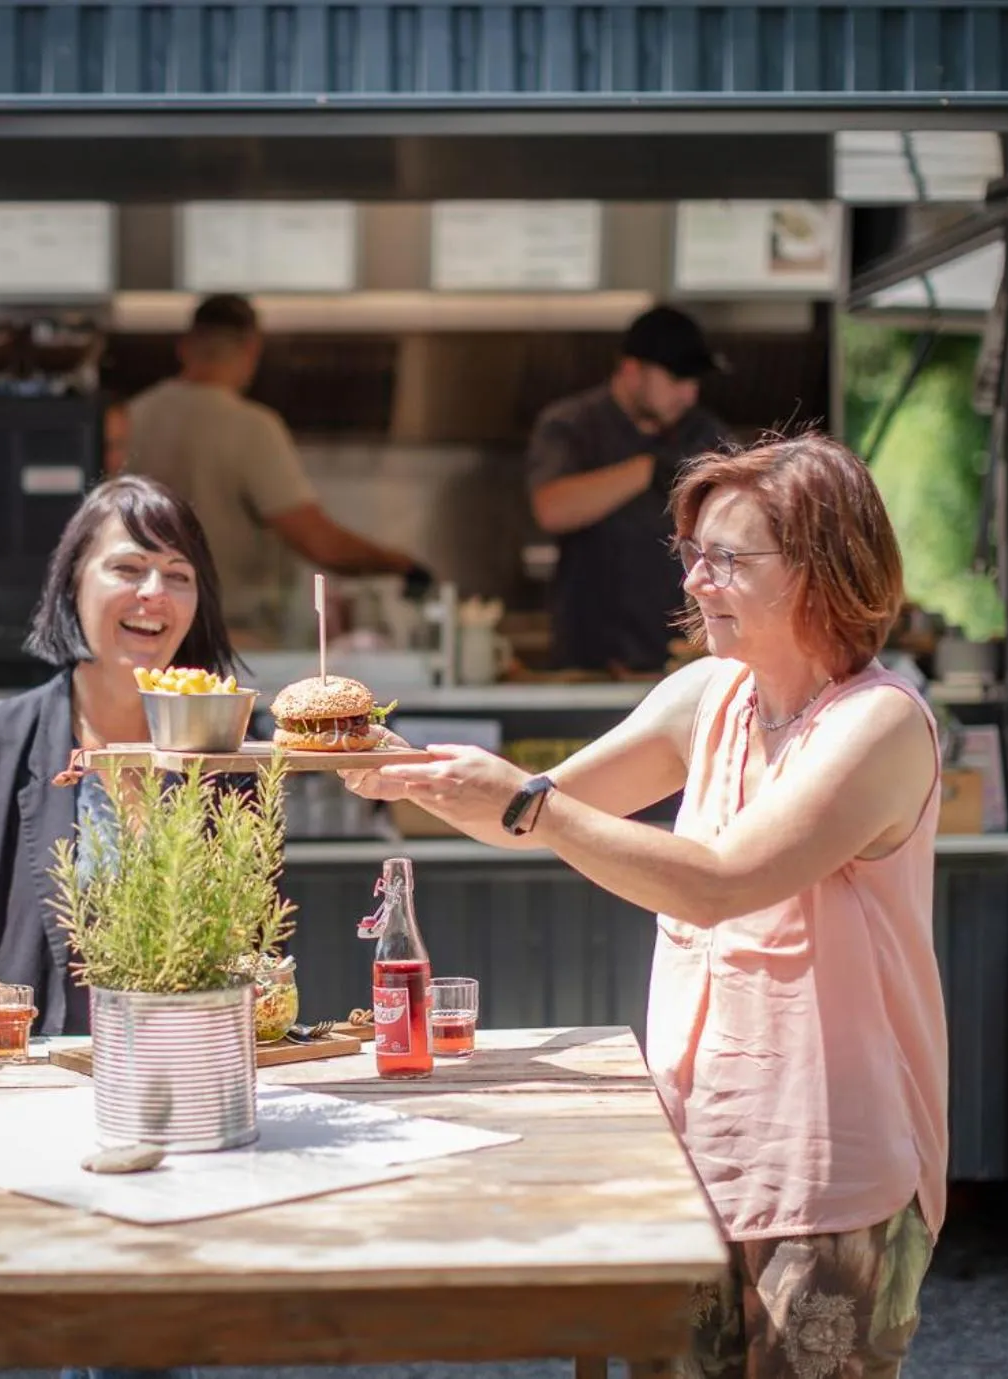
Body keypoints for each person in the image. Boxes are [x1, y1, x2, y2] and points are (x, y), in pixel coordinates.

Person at [346, 435, 948, 1378]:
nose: (697, 581)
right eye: (692, 555)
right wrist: (399, 769)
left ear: (822, 568)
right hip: (688, 1156)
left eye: (728, 559)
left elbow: (718, 880)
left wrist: (526, 803)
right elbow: (527, 816)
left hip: (832, 1172)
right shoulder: (709, 695)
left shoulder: (880, 722)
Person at [0, 475, 239, 1043]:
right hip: (24, 1088)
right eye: (129, 569)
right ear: (71, 586)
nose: (154, 592)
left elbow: (258, 952)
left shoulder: (228, 752)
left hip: (186, 1079)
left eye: (179, 575)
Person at [124, 293, 430, 639]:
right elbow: (319, 542)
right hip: (229, 641)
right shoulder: (250, 427)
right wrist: (400, 564)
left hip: (146, 637)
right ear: (252, 349)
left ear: (183, 347)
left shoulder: (131, 418)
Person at [526, 305, 733, 675]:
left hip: (683, 662)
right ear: (631, 370)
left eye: (695, 382)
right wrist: (646, 471)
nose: (689, 395)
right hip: (589, 662)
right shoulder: (573, 426)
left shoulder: (704, 434)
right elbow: (552, 508)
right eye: (676, 379)